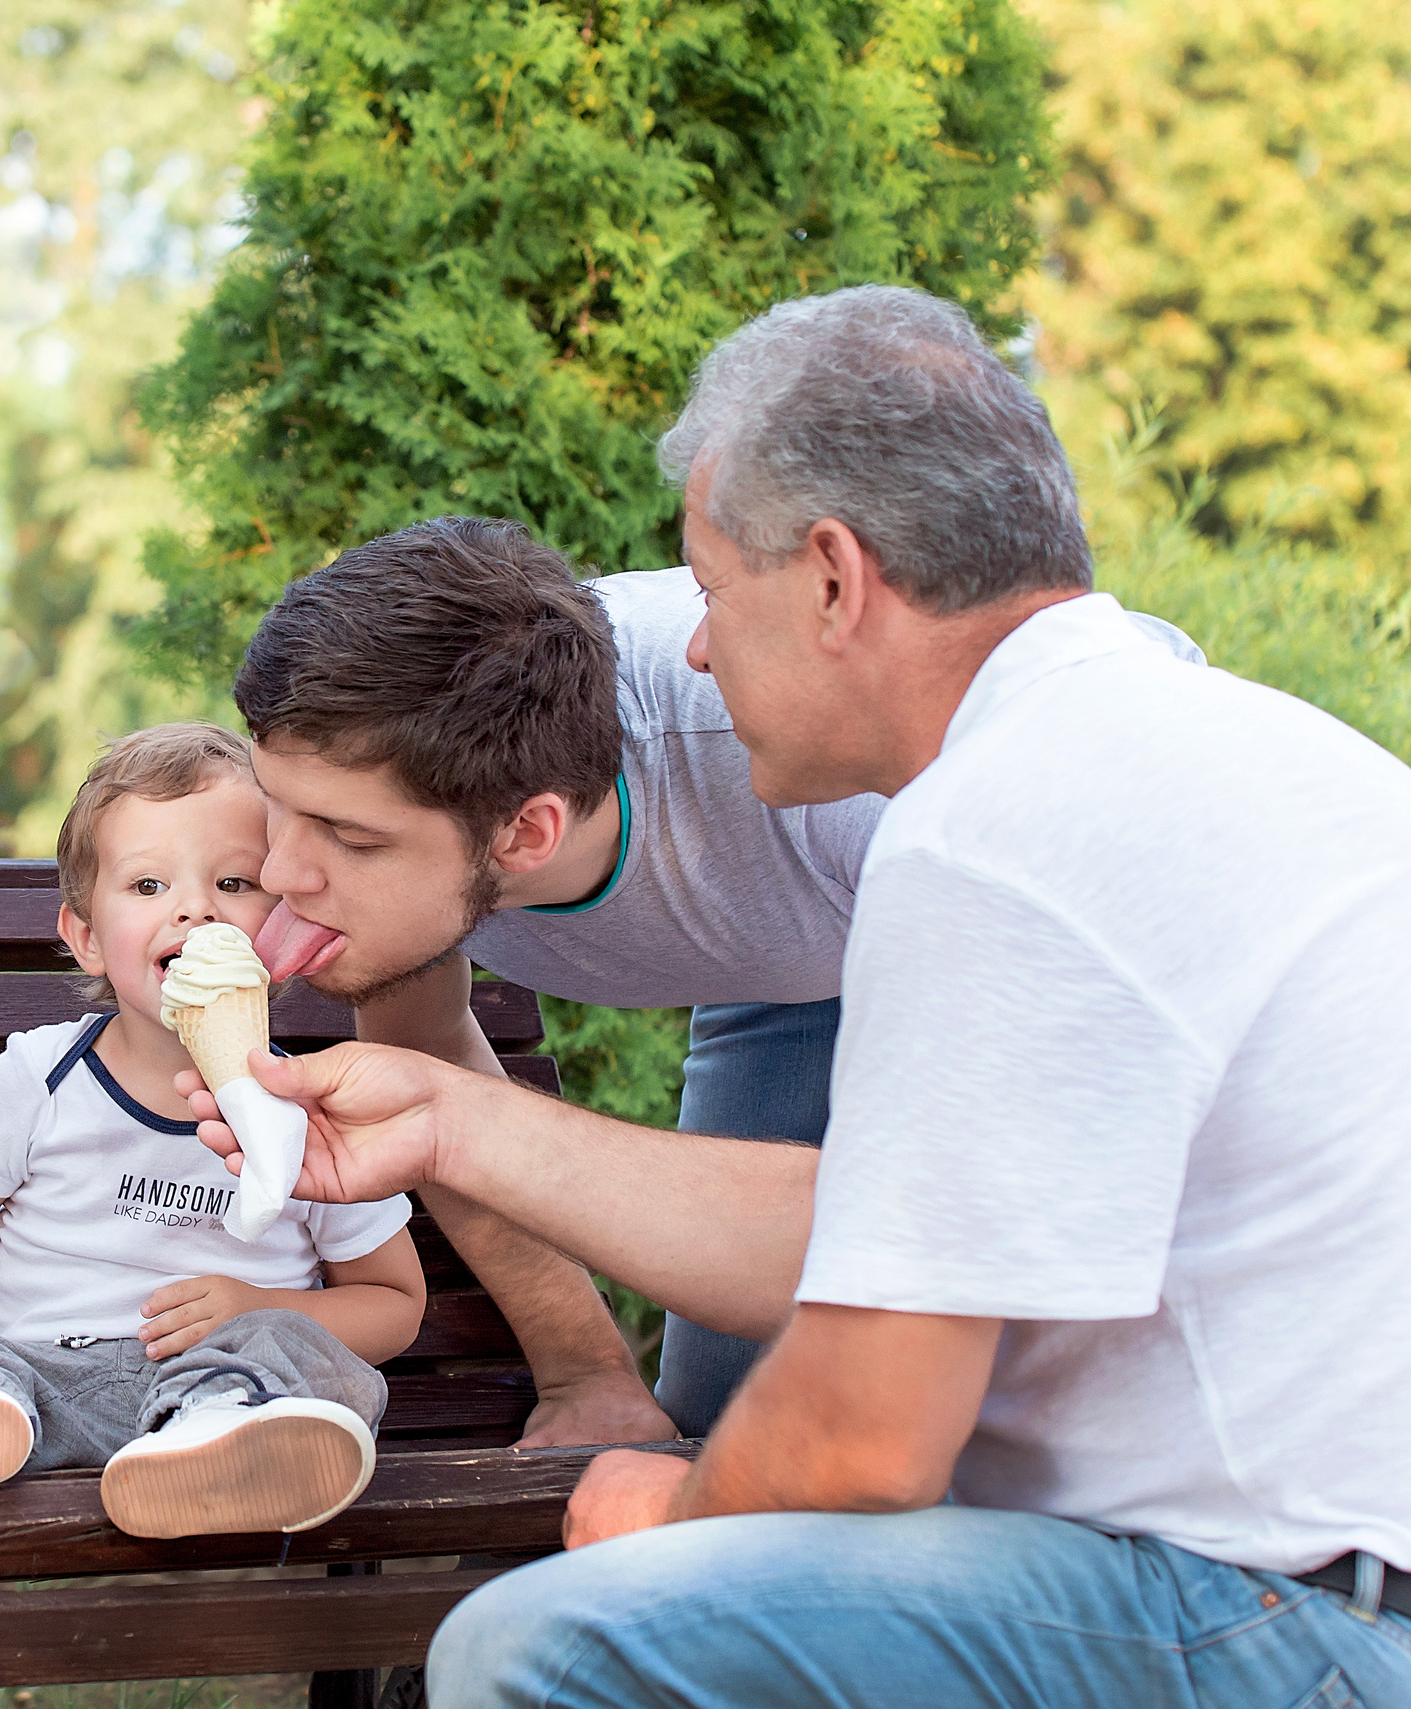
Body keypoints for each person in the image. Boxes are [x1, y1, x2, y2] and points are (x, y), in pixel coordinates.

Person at [189, 285, 1411, 1705]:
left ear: (833, 578)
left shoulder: (990, 829)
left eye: (711, 589)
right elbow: (866, 1233)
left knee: (549, 1641)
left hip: (1281, 1616)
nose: (691, 648)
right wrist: (452, 1125)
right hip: (1302, 1573)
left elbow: (863, 1440)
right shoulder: (1230, 751)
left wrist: (674, 1519)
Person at [236, 516, 1205, 1445]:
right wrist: (589, 1376)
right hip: (777, 964)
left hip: (987, 932)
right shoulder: (421, 756)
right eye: (276, 804)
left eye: (351, 839)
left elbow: (976, 1206)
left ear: (525, 833)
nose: (281, 871)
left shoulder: (845, 768)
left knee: (968, 1399)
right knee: (721, 1407)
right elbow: (426, 1077)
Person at [0, 723, 424, 1538]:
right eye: (147, 886)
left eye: (235, 880)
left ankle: (212, 1449)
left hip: (221, 1381)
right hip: (40, 1385)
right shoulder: (39, 1078)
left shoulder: (309, 1106)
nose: (195, 906)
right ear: (87, 938)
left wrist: (259, 1305)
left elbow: (395, 1303)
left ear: (280, 925)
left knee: (291, 1351)